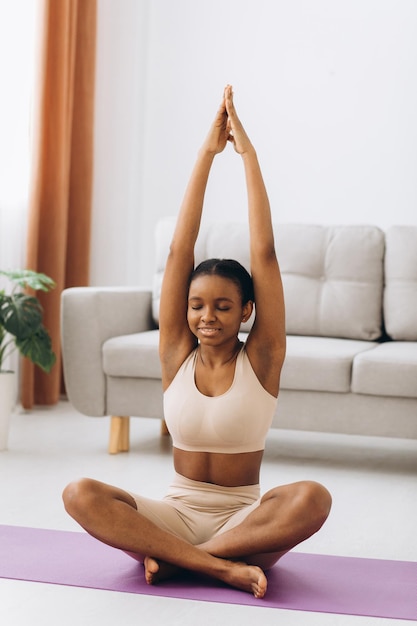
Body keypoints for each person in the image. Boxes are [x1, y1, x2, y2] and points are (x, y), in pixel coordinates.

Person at [63, 85, 332, 599]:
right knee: (79, 493)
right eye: (197, 306)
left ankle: (189, 562)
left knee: (313, 498)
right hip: (175, 517)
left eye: (224, 306)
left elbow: (266, 254)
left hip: (247, 522)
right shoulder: (174, 354)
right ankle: (219, 568)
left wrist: (247, 156)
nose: (206, 317)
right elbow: (178, 249)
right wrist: (206, 156)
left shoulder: (264, 357)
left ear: (247, 311)